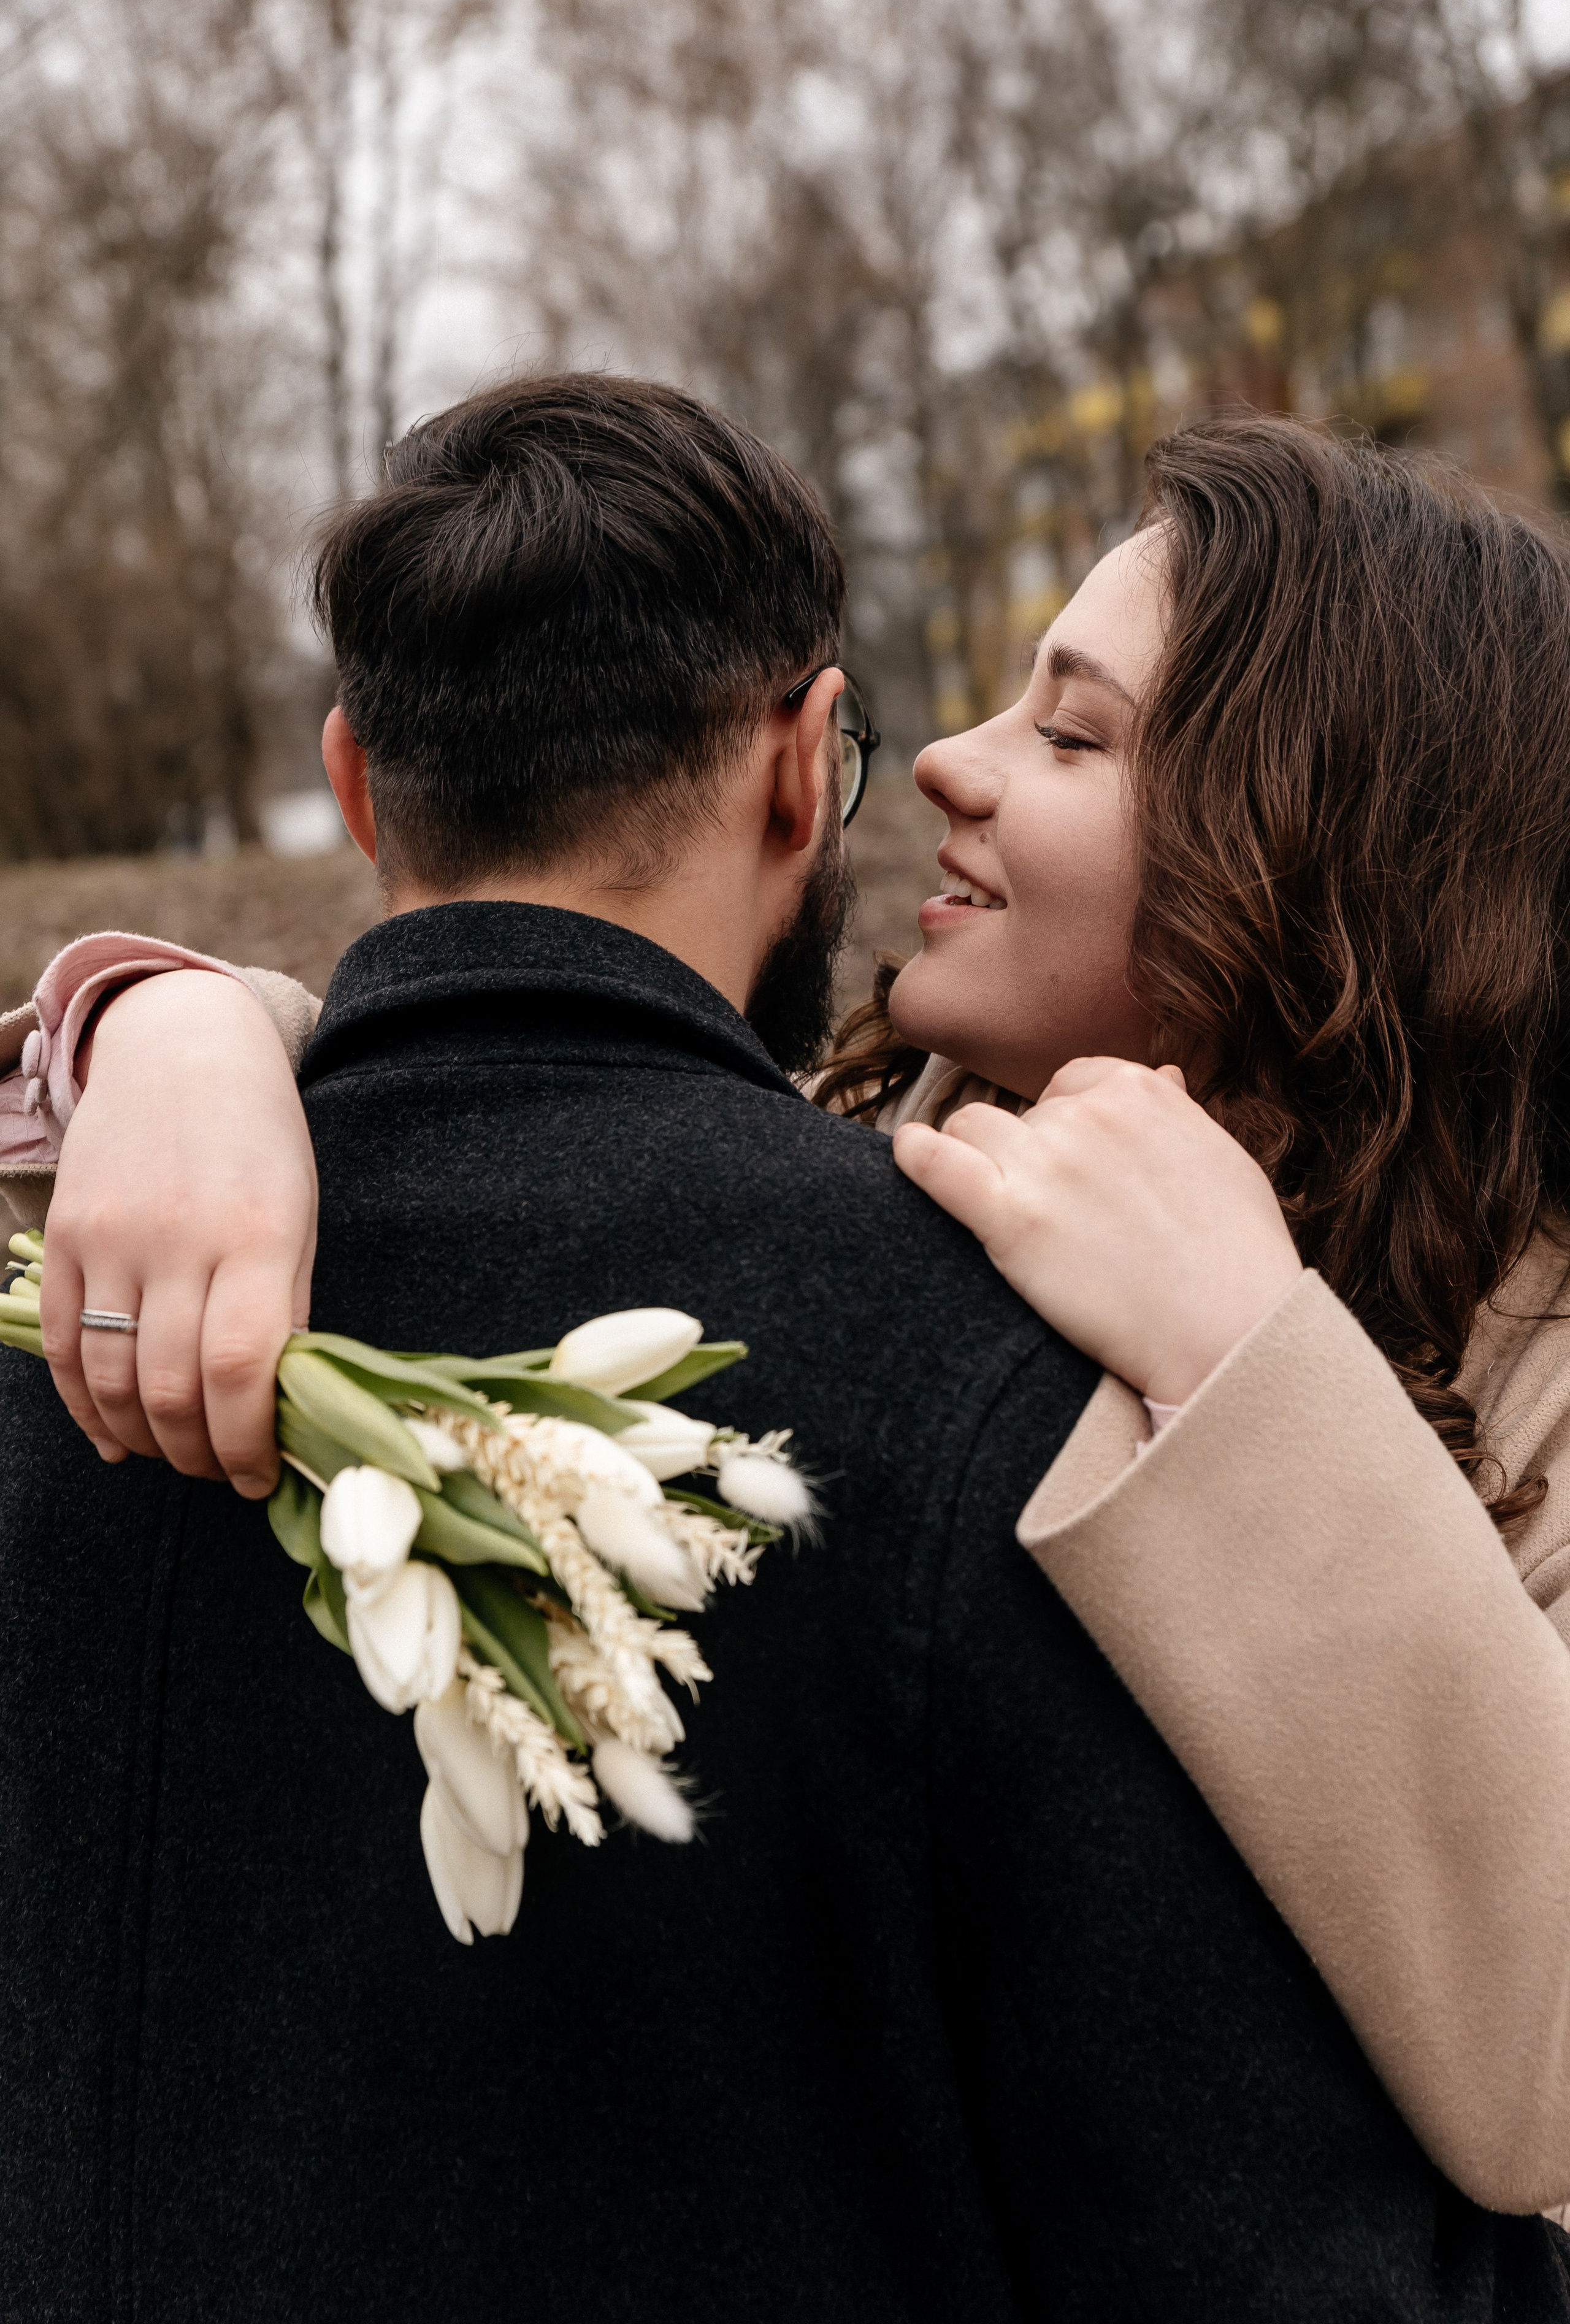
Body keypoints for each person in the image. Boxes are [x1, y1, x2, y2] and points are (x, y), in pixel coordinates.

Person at [2, 381, 1567, 2320]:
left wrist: (1257, 1370)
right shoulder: (910, 1218)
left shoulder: (1504, 1367)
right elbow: (540, 1072)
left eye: (1073, 730)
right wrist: (183, 1027)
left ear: (1327, 845)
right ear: (794, 769)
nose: (949, 769)